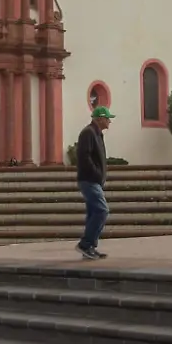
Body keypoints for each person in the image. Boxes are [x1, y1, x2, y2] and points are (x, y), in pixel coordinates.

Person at [75, 106, 113, 260]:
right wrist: (97, 174)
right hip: (89, 180)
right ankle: (85, 244)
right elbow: (84, 157)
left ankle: (89, 247)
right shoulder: (88, 133)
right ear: (100, 119)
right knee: (102, 210)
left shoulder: (97, 134)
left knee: (93, 213)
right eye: (108, 118)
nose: (109, 121)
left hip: (93, 180)